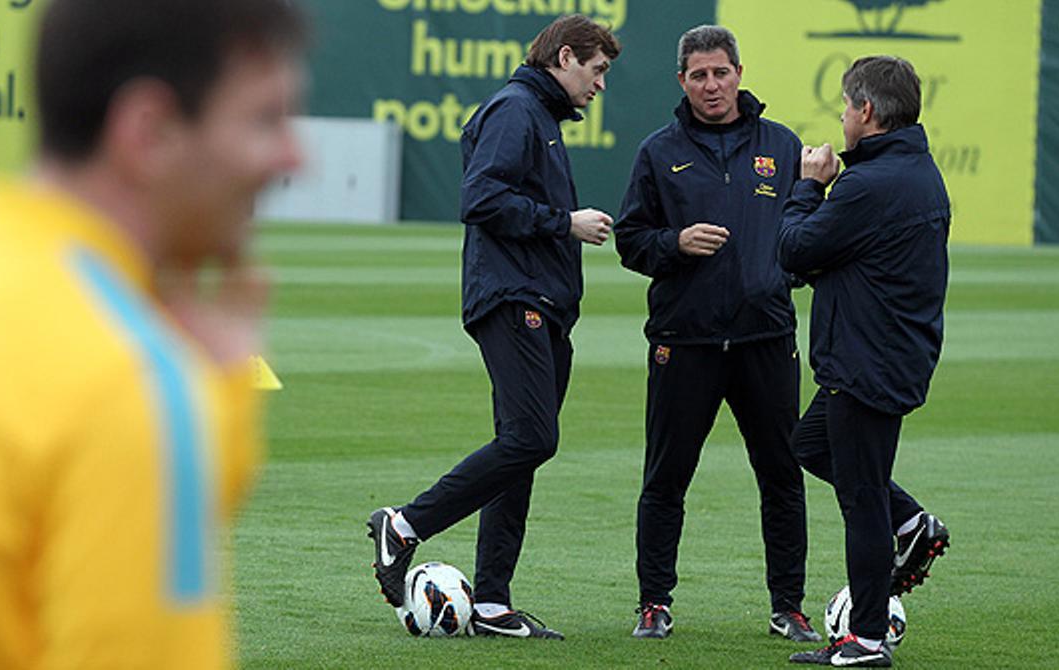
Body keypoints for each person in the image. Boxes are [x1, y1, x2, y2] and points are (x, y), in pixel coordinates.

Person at [0, 1, 305, 668]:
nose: (295, 157)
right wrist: (182, 408)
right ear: (149, 131)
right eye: (264, 119)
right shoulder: (132, 384)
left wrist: (212, 413)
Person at [367, 14, 619, 640]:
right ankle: (404, 525)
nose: (600, 84)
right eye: (596, 70)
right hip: (514, 296)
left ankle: (490, 603)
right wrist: (565, 223)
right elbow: (479, 199)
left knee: (519, 451)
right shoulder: (516, 109)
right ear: (566, 57)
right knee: (532, 438)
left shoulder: (539, 115)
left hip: (543, 301)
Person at [613, 24, 819, 641]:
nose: (711, 85)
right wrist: (674, 243)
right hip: (685, 339)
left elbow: (807, 231)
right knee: (666, 478)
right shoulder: (658, 151)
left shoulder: (781, 145)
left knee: (781, 477)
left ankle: (789, 607)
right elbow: (630, 240)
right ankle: (654, 603)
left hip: (766, 337)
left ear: (739, 74)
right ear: (682, 81)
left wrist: (786, 274)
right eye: (699, 75)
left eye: (720, 73)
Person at [780, 56, 951, 667]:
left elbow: (794, 249)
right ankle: (911, 524)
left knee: (862, 498)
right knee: (811, 446)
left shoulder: (868, 184)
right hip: (887, 353)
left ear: (867, 111)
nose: (843, 118)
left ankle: (866, 640)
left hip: (866, 361)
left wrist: (808, 186)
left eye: (847, 107)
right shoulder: (916, 170)